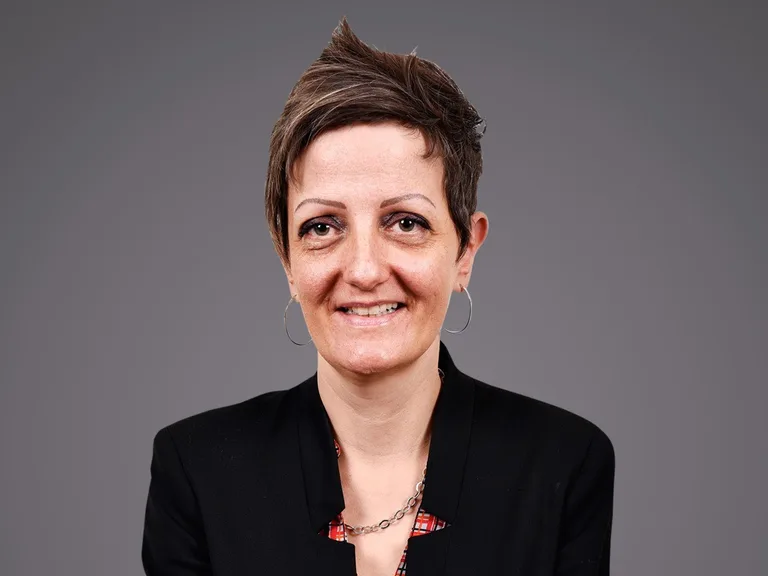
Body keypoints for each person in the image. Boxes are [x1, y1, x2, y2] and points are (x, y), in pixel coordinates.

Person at [141, 17, 615, 576]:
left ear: (465, 251)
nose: (364, 270)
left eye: (406, 222)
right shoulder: (197, 470)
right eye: (322, 227)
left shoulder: (564, 463)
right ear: (286, 260)